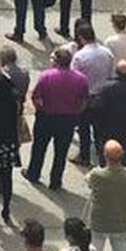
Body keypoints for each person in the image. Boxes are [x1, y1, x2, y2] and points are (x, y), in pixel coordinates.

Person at [27, 46, 89, 189]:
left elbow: (35, 97)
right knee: (61, 152)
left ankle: (34, 173)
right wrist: (76, 113)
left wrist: (40, 109)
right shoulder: (81, 79)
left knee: (39, 148)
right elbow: (84, 101)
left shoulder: (46, 76)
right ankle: (55, 181)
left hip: (46, 117)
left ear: (56, 61)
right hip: (67, 120)